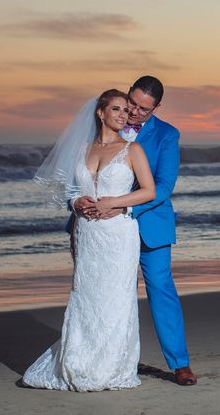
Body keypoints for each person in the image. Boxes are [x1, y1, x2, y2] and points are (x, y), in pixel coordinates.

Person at [23, 89, 155, 391]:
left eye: (126, 111)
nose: (124, 116)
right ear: (101, 113)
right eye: (117, 110)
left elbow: (149, 191)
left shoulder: (132, 150)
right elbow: (71, 191)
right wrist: (75, 203)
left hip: (118, 234)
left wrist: (117, 203)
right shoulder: (81, 149)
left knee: (115, 300)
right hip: (87, 234)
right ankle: (77, 361)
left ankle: (112, 367)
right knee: (85, 296)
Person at [73, 76, 197, 386]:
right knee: (107, 293)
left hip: (148, 224)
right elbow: (82, 174)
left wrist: (124, 207)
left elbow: (164, 186)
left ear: (156, 107)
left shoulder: (167, 135)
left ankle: (180, 363)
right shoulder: (107, 125)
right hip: (102, 231)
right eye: (133, 104)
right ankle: (110, 358)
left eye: (145, 108)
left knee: (160, 288)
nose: (136, 112)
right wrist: (78, 202)